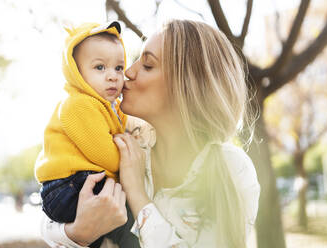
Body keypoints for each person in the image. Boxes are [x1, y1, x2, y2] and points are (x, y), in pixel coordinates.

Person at [40, 19, 260, 248]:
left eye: (147, 65)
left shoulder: (232, 169)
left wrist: (137, 194)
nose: (127, 72)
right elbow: (50, 215)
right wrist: (78, 233)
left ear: (186, 86)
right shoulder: (125, 137)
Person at [35, 21, 141, 248]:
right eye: (100, 67)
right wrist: (129, 161)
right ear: (77, 73)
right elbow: (105, 154)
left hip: (77, 183)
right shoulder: (78, 105)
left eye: (119, 68)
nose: (113, 76)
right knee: (127, 222)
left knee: (120, 221)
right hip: (67, 185)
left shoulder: (107, 108)